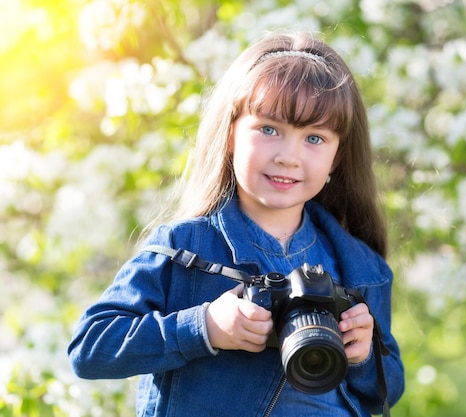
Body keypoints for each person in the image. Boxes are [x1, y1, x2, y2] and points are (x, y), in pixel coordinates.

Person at [68, 31, 404, 417]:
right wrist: (205, 328)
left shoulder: (361, 269)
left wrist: (362, 357)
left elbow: (387, 391)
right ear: (230, 134)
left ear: (337, 156)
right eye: (268, 130)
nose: (288, 157)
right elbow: (89, 348)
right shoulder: (184, 249)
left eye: (314, 138)